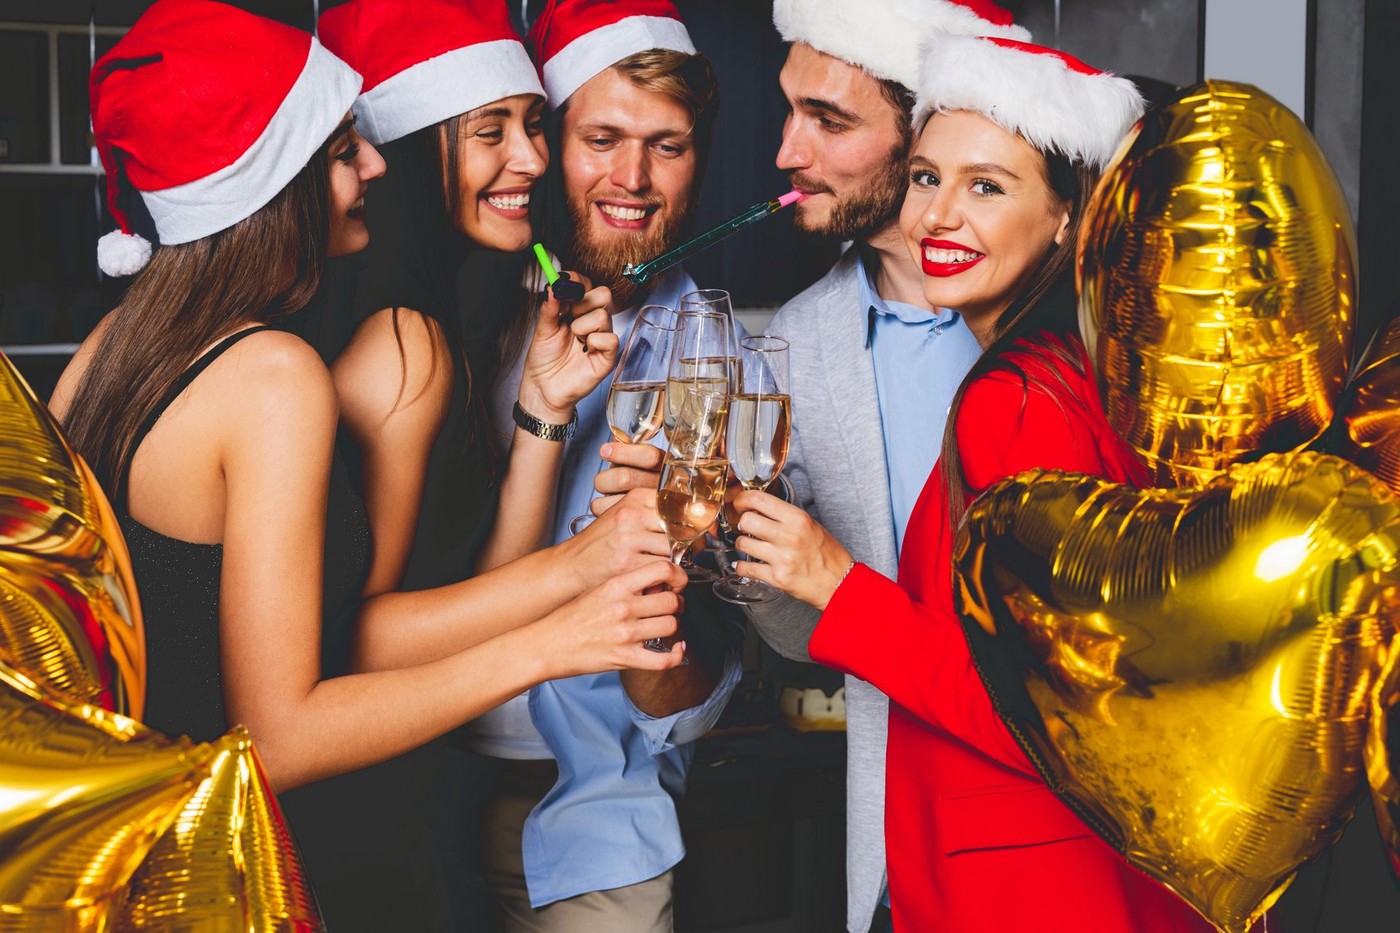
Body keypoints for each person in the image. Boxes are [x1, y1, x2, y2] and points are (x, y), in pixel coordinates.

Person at [50, 0, 687, 925]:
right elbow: (278, 730)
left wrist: (544, 416)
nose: (374, 164)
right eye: (344, 150)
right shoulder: (276, 377)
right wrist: (562, 627)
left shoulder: (111, 345)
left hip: (148, 868)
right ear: (275, 183)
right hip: (279, 871)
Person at [730, 33, 1219, 932]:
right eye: (925, 178)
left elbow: (1057, 711)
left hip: (1029, 888)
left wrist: (838, 581)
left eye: (987, 187)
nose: (936, 217)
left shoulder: (1015, 399)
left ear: (1069, 216)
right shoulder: (1078, 369)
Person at [746, 2, 1031, 930]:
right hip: (899, 868)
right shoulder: (798, 341)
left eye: (829, 121)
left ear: (925, 134)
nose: (788, 152)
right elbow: (802, 636)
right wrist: (734, 542)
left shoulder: (1071, 348)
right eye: (790, 111)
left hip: (1061, 855)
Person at [462, 2, 744, 930]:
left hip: (602, 826)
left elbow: (698, 690)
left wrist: (678, 569)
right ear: (546, 145)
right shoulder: (456, 310)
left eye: (667, 145)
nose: (632, 178)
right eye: (602, 138)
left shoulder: (715, 358)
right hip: (411, 791)